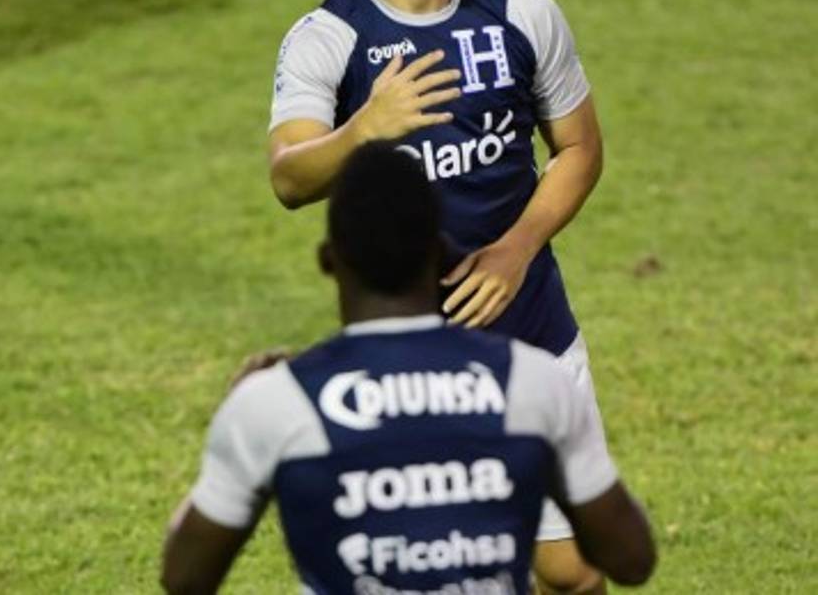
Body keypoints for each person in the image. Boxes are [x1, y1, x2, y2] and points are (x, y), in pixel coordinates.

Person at [268, 0, 607, 594]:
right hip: (402, 367)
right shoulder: (327, 39)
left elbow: (580, 149)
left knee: (571, 571)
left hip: (532, 337)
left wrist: (517, 248)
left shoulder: (523, 14)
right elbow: (289, 177)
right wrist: (367, 127)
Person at [162, 144, 655, 594]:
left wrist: (237, 431)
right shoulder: (532, 383)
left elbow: (184, 577)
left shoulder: (276, 401)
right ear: (440, 252)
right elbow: (632, 559)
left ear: (329, 261)